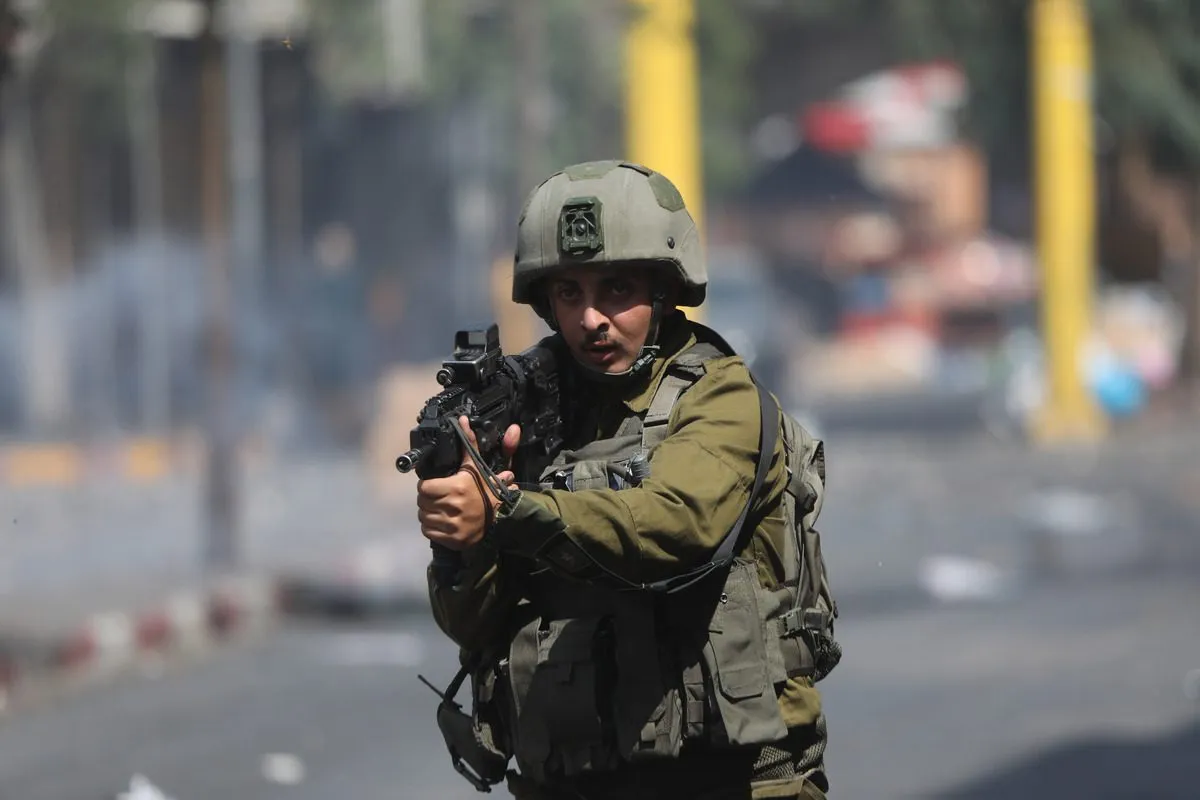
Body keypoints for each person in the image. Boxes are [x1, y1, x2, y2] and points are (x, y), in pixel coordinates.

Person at [416, 160, 839, 799]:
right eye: (569, 294)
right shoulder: (529, 415)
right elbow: (474, 626)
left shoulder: (719, 396)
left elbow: (674, 526)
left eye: (616, 289)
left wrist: (506, 511)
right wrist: (461, 543)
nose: (591, 319)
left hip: (730, 780)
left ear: (663, 289)